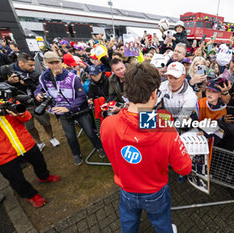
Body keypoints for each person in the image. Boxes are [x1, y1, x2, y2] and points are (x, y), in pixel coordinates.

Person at [100, 62, 192, 233]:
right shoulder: (165, 127)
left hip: (126, 188)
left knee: (128, 223)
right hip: (155, 191)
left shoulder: (108, 124)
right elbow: (184, 168)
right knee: (162, 223)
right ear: (153, 94)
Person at [34, 52, 106, 165]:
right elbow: (39, 89)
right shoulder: (43, 78)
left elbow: (82, 96)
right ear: (45, 64)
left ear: (61, 62)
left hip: (80, 111)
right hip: (62, 113)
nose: (54, 65)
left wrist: (69, 108)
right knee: (70, 136)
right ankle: (76, 154)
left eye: (56, 62)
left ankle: (99, 147)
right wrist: (37, 94)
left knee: (90, 132)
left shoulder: (72, 78)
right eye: (50, 63)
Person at [0, 101, 60, 208]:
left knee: (39, 162)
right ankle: (31, 195)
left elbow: (27, 117)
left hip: (25, 142)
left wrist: (20, 113)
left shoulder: (4, 96)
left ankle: (44, 176)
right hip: (2, 154)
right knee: (16, 178)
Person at [0, 53, 59, 151]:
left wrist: (28, 84)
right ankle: (39, 142)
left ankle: (52, 138)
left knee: (46, 121)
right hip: (20, 105)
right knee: (29, 126)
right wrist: (9, 82)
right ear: (21, 63)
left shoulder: (34, 73)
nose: (33, 67)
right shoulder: (6, 70)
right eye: (30, 65)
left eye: (33, 65)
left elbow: (40, 88)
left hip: (35, 102)